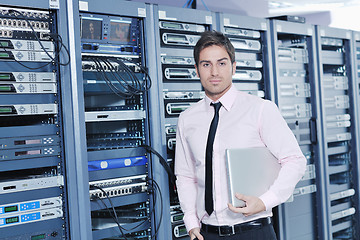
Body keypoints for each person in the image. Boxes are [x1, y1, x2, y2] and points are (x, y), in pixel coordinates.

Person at [174, 30, 306, 240]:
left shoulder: (260, 109)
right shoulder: (187, 119)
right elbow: (185, 175)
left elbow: (295, 161)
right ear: (197, 70)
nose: (214, 71)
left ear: (234, 67)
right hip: (207, 233)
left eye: (222, 63)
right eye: (206, 64)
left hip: (253, 230)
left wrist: (265, 201)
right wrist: (190, 221)